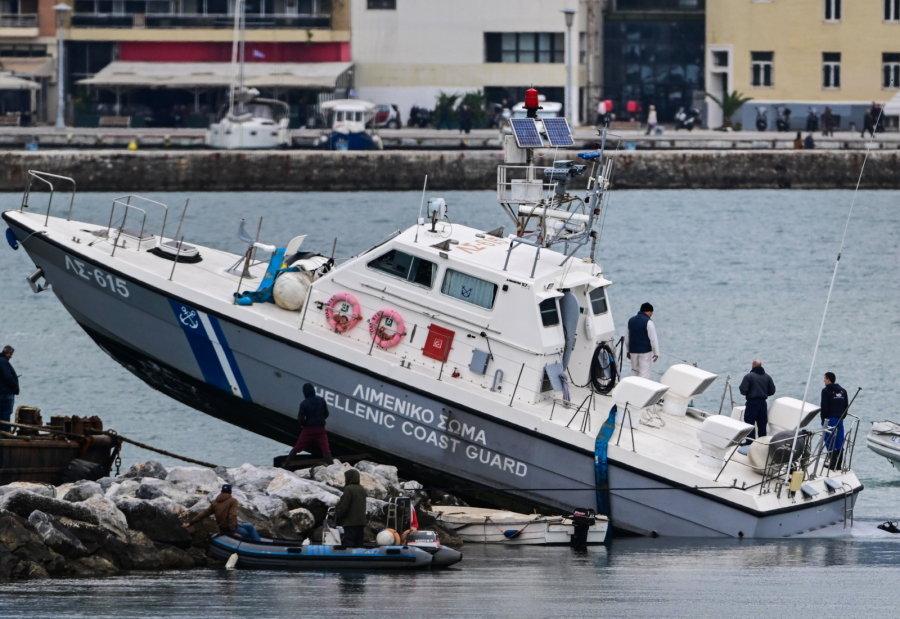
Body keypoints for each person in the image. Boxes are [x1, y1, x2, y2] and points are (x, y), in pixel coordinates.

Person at [182, 484, 261, 541]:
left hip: (224, 528)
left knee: (249, 526)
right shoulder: (233, 501)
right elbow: (232, 516)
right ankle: (258, 547)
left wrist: (190, 523)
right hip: (230, 529)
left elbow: (204, 514)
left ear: (222, 492)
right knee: (248, 534)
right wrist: (233, 533)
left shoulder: (215, 502)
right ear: (230, 492)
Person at [283, 383, 333, 467]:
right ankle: (333, 467)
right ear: (313, 390)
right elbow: (326, 414)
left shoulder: (304, 404)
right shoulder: (321, 400)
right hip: (320, 429)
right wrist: (320, 419)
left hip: (308, 430)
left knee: (297, 447)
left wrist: (304, 424)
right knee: (325, 450)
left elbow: (300, 420)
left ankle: (286, 464)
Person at [739, 360, 776, 445]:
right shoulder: (767, 377)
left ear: (753, 365)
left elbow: (743, 390)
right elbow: (772, 391)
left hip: (752, 402)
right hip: (763, 403)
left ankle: (750, 442)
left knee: (749, 421)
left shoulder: (749, 376)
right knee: (762, 423)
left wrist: (749, 392)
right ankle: (762, 443)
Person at [820, 372, 849, 470]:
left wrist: (823, 420)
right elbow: (846, 406)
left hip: (830, 419)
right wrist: (842, 416)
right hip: (840, 419)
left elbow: (824, 407)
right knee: (839, 441)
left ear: (828, 379)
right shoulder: (843, 391)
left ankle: (832, 464)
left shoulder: (826, 391)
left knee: (829, 441)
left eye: (824, 378)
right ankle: (839, 464)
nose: (824, 380)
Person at [624, 303, 659, 379]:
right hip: (645, 352)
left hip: (633, 351)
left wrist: (628, 351)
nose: (651, 314)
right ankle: (641, 389)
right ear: (649, 311)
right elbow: (653, 339)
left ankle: (627, 385)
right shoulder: (648, 322)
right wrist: (656, 353)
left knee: (634, 370)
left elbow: (627, 337)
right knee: (644, 372)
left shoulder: (630, 321)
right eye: (651, 313)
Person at [335, 468, 368, 547]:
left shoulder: (348, 489)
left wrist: (339, 516)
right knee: (359, 544)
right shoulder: (362, 489)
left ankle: (349, 559)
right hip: (361, 522)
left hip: (350, 522)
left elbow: (344, 506)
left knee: (349, 543)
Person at [0, 345, 19, 428]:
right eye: (11, 354)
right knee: (6, 414)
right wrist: (14, 385)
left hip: (2, 392)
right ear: (8, 353)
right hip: (6, 393)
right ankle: (5, 433)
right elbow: (7, 376)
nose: (11, 356)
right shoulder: (3, 362)